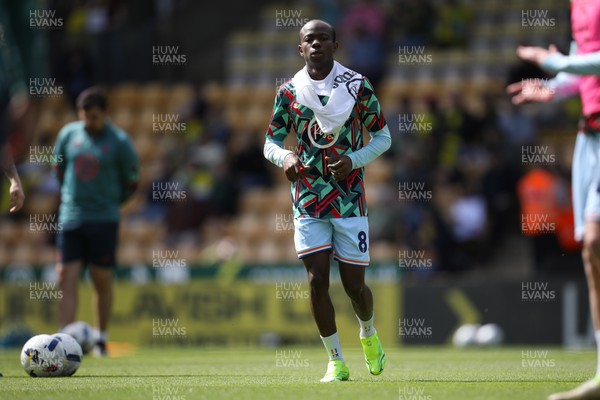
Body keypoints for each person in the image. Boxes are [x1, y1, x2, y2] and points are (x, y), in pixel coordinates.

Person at [263, 19, 391, 382]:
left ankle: (368, 333)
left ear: (336, 45)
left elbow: (383, 137)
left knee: (354, 287)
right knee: (317, 280)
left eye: (323, 38)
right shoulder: (289, 92)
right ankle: (335, 361)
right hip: (308, 201)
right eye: (309, 39)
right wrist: (285, 158)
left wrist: (353, 159)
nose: (316, 43)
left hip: (350, 200)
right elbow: (270, 142)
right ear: (299, 49)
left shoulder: (357, 86)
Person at [507, 1, 600, 398]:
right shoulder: (578, 6)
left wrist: (553, 60)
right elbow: (584, 69)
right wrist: (552, 86)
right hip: (591, 136)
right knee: (592, 249)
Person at [53, 87, 139, 356]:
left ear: (105, 113)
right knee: (65, 275)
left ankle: (101, 338)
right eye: (85, 116)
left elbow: (132, 181)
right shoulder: (68, 134)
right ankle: (63, 340)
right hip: (71, 216)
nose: (89, 122)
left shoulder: (120, 142)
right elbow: (59, 168)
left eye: (94, 117)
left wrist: (112, 201)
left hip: (104, 219)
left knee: (101, 279)